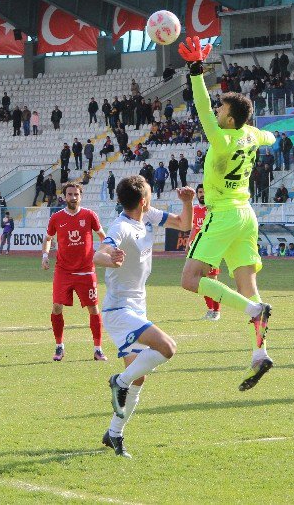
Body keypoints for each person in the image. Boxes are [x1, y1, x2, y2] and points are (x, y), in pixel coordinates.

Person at [177, 36, 276, 391]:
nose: (215, 114)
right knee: (250, 288)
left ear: (229, 118)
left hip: (222, 213)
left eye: (221, 112)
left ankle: (251, 312)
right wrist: (256, 131)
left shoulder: (223, 138)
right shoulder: (251, 135)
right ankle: (259, 352)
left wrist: (195, 72)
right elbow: (272, 137)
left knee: (189, 279)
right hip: (247, 215)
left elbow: (202, 107)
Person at [99, 177, 193, 458]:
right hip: (119, 310)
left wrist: (187, 202)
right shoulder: (121, 227)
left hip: (137, 307)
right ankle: (119, 382)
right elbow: (98, 254)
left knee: (139, 377)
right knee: (168, 347)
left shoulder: (148, 215)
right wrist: (110, 258)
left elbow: (183, 224)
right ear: (143, 200)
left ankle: (114, 434)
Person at [42, 182, 108, 362]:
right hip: (63, 271)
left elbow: (103, 237)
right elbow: (48, 238)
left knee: (93, 309)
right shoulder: (56, 218)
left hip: (86, 271)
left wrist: (103, 252)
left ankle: (98, 349)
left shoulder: (89, 215)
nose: (73, 197)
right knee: (56, 307)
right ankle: (59, 346)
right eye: (69, 194)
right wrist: (45, 255)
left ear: (81, 196)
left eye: (76, 194)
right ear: (64, 197)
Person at [190, 184, 222, 321]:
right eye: (200, 192)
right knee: (201, 281)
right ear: (197, 194)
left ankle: (217, 311)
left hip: (212, 250)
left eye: (204, 192)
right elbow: (194, 228)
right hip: (199, 249)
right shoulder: (194, 210)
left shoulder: (213, 210)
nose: (202, 194)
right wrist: (189, 241)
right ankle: (210, 309)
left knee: (213, 282)